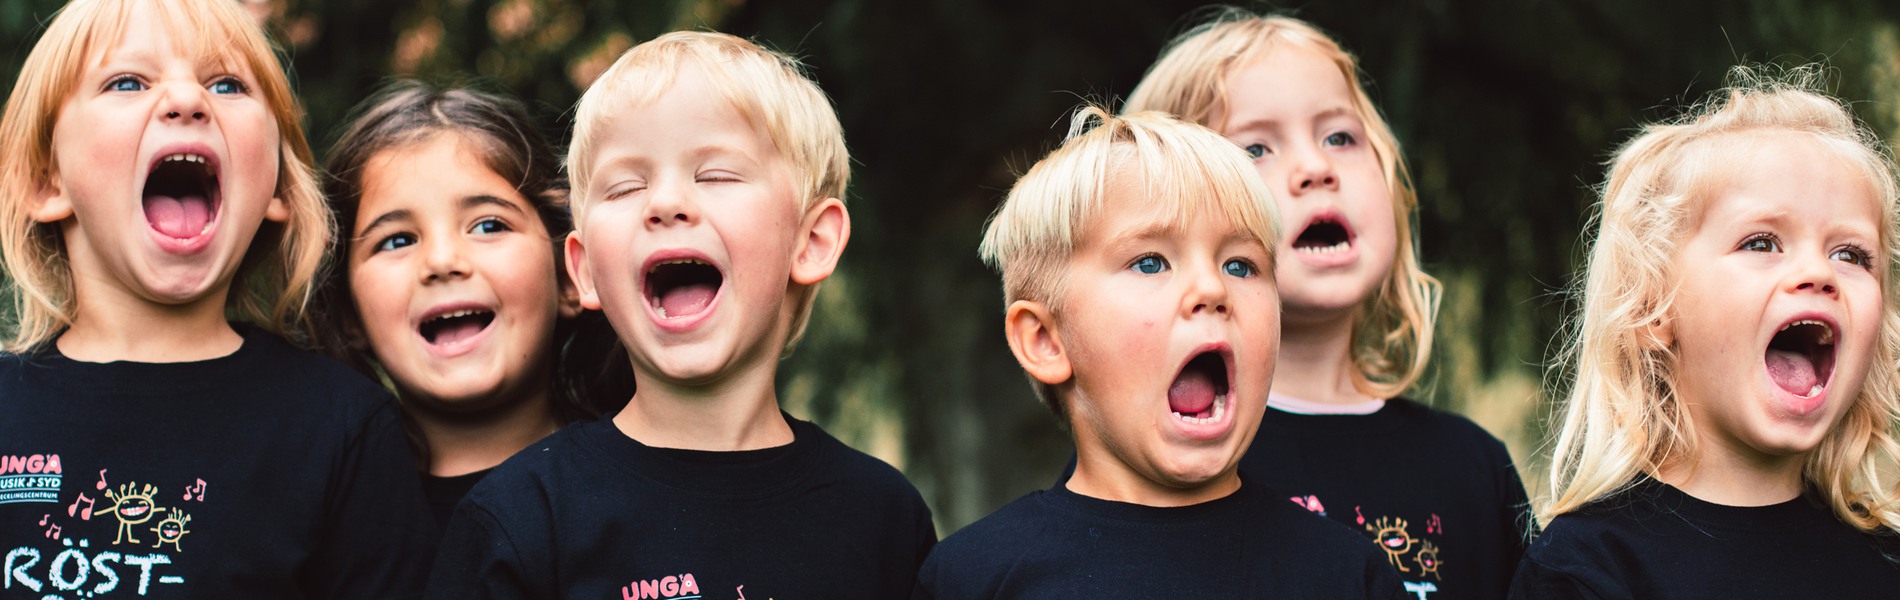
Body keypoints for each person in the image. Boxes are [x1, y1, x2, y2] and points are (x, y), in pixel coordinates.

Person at [423, 31, 935, 599]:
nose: (664, 203)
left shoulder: (883, 515)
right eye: (626, 186)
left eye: (715, 175)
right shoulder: (521, 517)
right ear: (586, 268)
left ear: (811, 241)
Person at [0, 0, 435, 597]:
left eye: (227, 83)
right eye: (127, 81)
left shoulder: (343, 429)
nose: (187, 100)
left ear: (278, 184)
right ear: (45, 182)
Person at [915, 106, 1405, 599]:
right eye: (1150, 262)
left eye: (1240, 265)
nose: (1212, 287)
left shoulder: (1345, 576)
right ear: (1045, 340)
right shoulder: (974, 577)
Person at [1124, 10, 1530, 598]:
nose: (1316, 168)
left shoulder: (1474, 466)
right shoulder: (1162, 456)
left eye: (1339, 137)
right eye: (1257, 148)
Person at [1511, 65, 1900, 598]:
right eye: (1762, 243)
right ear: (1653, 309)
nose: (1820, 272)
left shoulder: (1885, 562)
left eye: (1851, 254)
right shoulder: (1587, 569)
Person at [314, 80, 630, 524]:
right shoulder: (329, 523)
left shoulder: (646, 480)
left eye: (487, 226)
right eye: (398, 239)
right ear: (349, 313)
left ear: (568, 275)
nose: (442, 261)